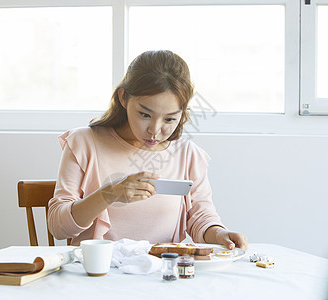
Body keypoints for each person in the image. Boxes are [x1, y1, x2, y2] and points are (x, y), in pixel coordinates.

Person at [47, 50, 248, 251]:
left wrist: (220, 233)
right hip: (100, 273)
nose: (154, 130)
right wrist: (108, 194)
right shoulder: (84, 143)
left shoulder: (188, 155)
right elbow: (58, 227)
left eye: (169, 119)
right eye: (144, 114)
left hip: (163, 272)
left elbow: (201, 217)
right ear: (123, 98)